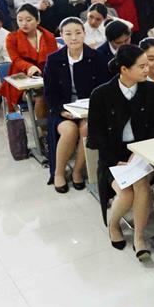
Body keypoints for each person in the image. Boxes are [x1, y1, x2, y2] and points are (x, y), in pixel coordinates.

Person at [87, 44, 154, 256]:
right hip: (113, 157)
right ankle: (114, 225)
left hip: (145, 153)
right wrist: (116, 161)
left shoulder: (152, 90)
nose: (147, 69)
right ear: (124, 69)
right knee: (125, 195)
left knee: (141, 183)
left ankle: (139, 237)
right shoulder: (101, 94)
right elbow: (97, 137)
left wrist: (139, 152)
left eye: (147, 65)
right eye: (142, 66)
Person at [43, 17, 109, 192]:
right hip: (63, 108)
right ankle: (58, 173)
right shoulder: (54, 59)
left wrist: (93, 109)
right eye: (68, 34)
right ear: (61, 36)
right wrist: (60, 110)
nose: (74, 38)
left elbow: (104, 88)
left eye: (78, 33)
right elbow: (49, 92)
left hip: (89, 109)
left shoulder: (97, 57)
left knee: (86, 129)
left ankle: (77, 171)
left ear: (84, 33)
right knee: (69, 130)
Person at [0, 4, 58, 114]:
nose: (24, 23)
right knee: (41, 95)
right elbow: (16, 60)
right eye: (20, 20)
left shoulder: (49, 36)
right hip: (22, 79)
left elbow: (54, 60)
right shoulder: (12, 38)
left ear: (38, 21)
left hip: (47, 77)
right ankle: (42, 125)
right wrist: (30, 67)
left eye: (28, 20)